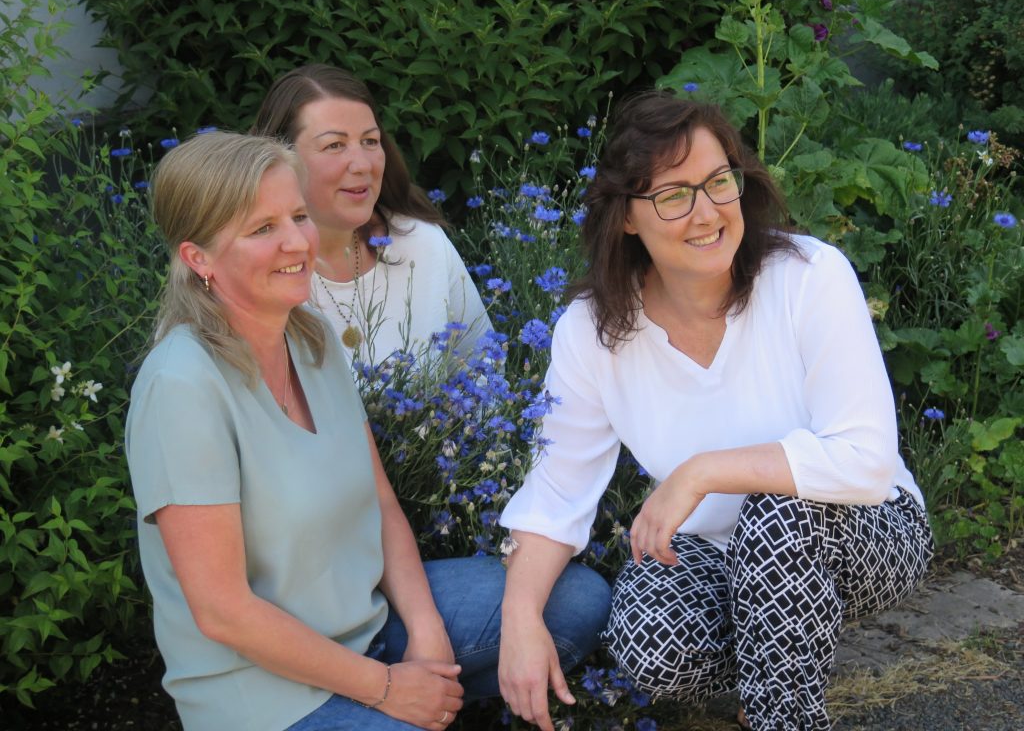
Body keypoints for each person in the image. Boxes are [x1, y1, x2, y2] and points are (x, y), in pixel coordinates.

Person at [125, 132, 610, 731]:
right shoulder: (181, 387)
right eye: (261, 229)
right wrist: (388, 690)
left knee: (575, 603)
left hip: (368, 624)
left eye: (298, 216)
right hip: (262, 692)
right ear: (198, 257)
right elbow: (224, 613)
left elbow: (380, 502)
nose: (296, 241)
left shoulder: (310, 336)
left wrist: (428, 639)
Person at [497, 92, 934, 731]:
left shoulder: (809, 276)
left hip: (868, 527)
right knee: (648, 637)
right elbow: (557, 490)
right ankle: (783, 654)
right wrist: (519, 621)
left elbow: (865, 463)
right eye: (674, 195)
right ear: (625, 217)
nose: (706, 213)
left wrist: (702, 471)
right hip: (716, 549)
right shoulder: (591, 331)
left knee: (778, 517)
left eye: (718, 182)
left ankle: (782, 716)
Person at [251, 64, 491, 368]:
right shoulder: (254, 266)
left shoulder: (420, 241)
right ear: (280, 158)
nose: (363, 164)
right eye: (334, 145)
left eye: (370, 141)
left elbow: (485, 366)